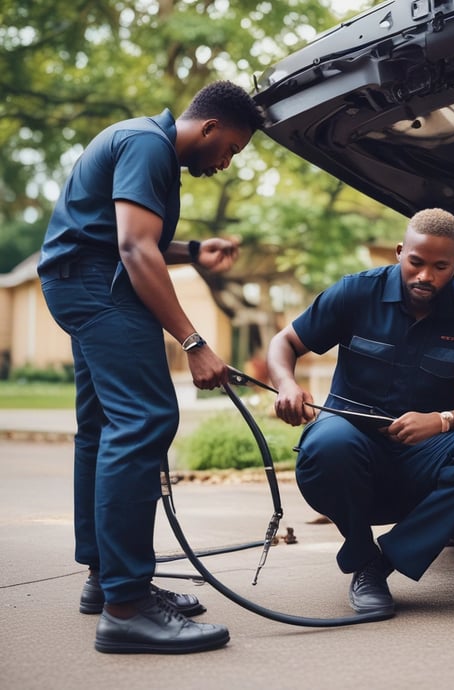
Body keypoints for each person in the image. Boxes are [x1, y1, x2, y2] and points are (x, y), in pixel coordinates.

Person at [37, 80, 262, 653]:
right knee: (143, 421)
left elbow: (126, 235)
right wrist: (193, 341)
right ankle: (128, 606)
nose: (225, 162)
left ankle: (106, 580)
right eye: (230, 149)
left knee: (104, 429)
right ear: (208, 127)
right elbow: (134, 250)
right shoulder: (149, 146)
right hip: (98, 288)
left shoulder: (138, 140)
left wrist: (192, 250)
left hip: (78, 282)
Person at [267, 208, 454, 618]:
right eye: (416, 263)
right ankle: (362, 558)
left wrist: (440, 420)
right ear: (400, 252)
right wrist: (286, 384)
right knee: (331, 441)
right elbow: (285, 343)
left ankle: (384, 562)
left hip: (422, 458)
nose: (425, 276)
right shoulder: (355, 292)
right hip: (347, 450)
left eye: (440, 267)